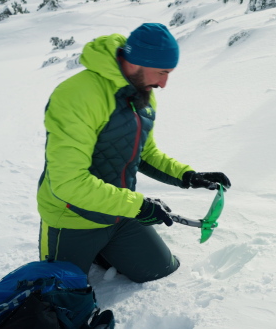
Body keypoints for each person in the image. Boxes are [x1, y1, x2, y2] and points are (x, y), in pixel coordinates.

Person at [36, 23, 231, 283]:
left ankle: (105, 249)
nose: (164, 83)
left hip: (119, 214)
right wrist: (138, 206)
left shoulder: (143, 92)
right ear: (137, 61)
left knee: (161, 270)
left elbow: (145, 152)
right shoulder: (77, 95)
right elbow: (68, 183)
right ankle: (91, 252)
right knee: (57, 297)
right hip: (72, 218)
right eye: (161, 72)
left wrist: (187, 176)